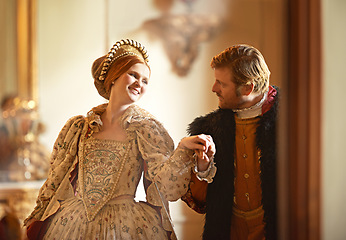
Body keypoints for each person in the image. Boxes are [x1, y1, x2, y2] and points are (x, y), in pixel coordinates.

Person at [23, 39, 215, 240]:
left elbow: (166, 187)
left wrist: (183, 148)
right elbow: (55, 179)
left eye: (145, 80)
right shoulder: (79, 127)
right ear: (114, 76)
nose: (139, 84)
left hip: (125, 226)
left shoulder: (146, 129)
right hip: (73, 223)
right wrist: (37, 217)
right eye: (133, 75)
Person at [181, 44, 279, 240]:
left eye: (221, 83)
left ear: (248, 88)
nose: (213, 88)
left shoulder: (295, 123)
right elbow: (200, 202)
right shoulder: (210, 129)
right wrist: (202, 167)